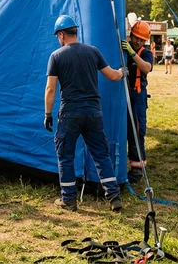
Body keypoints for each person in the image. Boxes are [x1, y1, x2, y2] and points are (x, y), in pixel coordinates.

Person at [45, 15, 125, 212]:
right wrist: (124, 71)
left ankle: (69, 201)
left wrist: (47, 114)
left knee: (65, 155)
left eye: (58, 36)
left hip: (70, 113)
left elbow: (50, 89)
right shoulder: (93, 51)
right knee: (101, 154)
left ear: (62, 34)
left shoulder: (56, 56)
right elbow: (113, 76)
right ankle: (114, 197)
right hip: (93, 112)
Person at [122, 21, 154, 183]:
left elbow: (147, 68)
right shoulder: (122, 49)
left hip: (138, 99)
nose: (138, 42)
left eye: (142, 40)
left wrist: (132, 54)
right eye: (136, 38)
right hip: (123, 95)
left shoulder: (145, 53)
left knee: (137, 132)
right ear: (131, 35)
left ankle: (137, 170)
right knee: (124, 131)